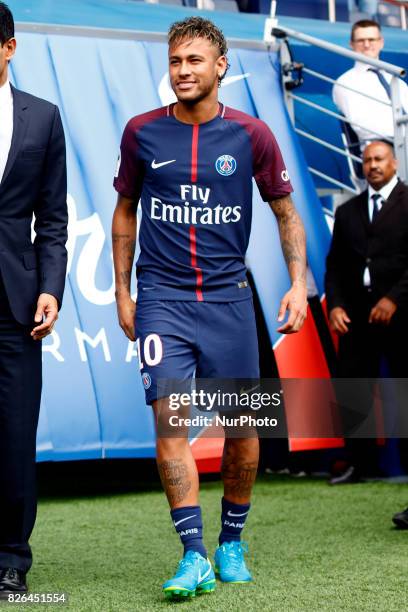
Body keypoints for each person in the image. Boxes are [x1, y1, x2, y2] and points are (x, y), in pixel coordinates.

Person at [112, 16, 307, 600]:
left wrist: (297, 284)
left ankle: (231, 541)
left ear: (221, 66)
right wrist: (123, 291)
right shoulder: (141, 133)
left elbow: (285, 212)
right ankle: (193, 554)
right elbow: (124, 212)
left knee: (242, 429)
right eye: (175, 61)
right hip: (163, 300)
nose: (183, 71)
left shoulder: (252, 135)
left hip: (229, 301)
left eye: (194, 61)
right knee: (170, 423)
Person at [0, 3, 68, 597]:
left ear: (9, 48)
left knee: (15, 431)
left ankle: (10, 559)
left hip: (14, 302)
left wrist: (50, 287)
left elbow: (53, 219)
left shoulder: (42, 118)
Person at [325, 141, 408, 523]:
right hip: (356, 318)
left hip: (401, 317)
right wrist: (337, 305)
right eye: (367, 160)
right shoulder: (348, 211)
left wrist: (393, 299)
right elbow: (335, 266)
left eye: (379, 159)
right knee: (353, 390)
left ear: (394, 163)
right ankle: (358, 464)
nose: (372, 165)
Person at [333, 20, 408, 144]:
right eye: (361, 40)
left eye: (371, 39)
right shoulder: (345, 82)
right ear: (351, 44)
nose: (367, 45)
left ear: (381, 43)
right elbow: (363, 128)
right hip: (381, 148)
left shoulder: (397, 81)